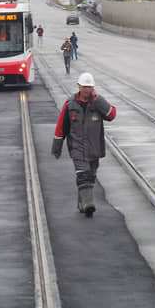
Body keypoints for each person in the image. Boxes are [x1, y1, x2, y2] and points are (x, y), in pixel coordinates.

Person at [51, 72, 116, 217]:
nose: (87, 90)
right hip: (77, 147)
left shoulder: (98, 104)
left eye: (90, 87)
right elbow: (61, 127)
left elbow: (111, 115)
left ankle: (82, 203)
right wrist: (57, 148)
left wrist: (99, 100)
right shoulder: (70, 105)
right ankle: (89, 205)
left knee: (90, 177)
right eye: (84, 87)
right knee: (83, 175)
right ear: (79, 87)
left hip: (94, 148)